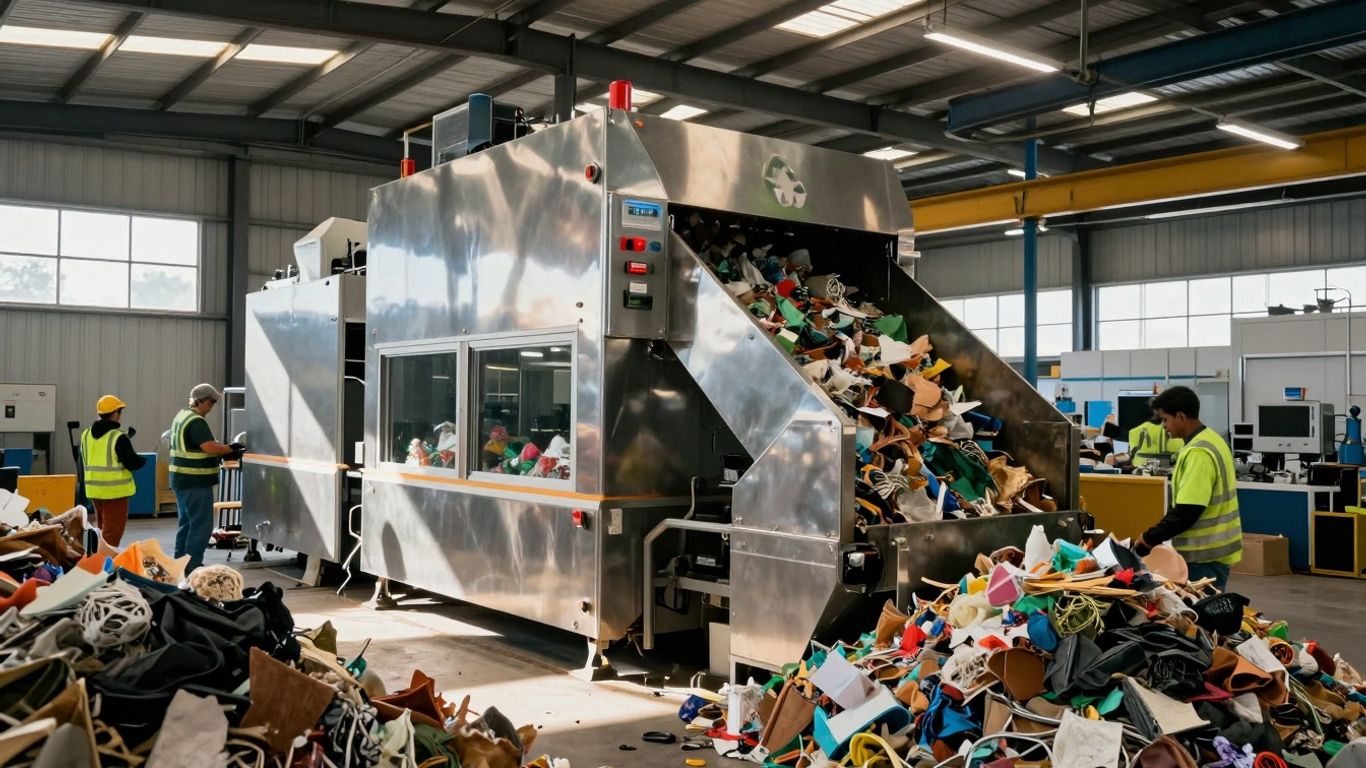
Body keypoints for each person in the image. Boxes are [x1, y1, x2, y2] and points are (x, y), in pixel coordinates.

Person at [1134, 386, 1241, 590]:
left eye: (1165, 419)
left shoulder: (1198, 452)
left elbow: (1187, 510)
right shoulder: (1212, 439)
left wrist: (1149, 539)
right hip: (1216, 551)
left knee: (1200, 615)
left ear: (1181, 416)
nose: (1163, 426)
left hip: (1204, 555)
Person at [169, 384, 243, 574]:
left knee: (186, 523)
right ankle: (193, 567)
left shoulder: (181, 416)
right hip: (195, 481)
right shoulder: (196, 421)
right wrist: (231, 448)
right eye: (211, 402)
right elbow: (209, 447)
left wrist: (223, 449)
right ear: (201, 401)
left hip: (180, 480)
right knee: (201, 526)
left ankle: (180, 563)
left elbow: (194, 447)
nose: (212, 406)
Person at [80, 394, 146, 546]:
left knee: (103, 530)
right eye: (120, 412)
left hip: (94, 491)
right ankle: (105, 565)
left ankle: (100, 562)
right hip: (114, 492)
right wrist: (142, 460)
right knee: (112, 535)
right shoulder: (118, 437)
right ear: (116, 413)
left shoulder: (86, 435)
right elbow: (132, 462)